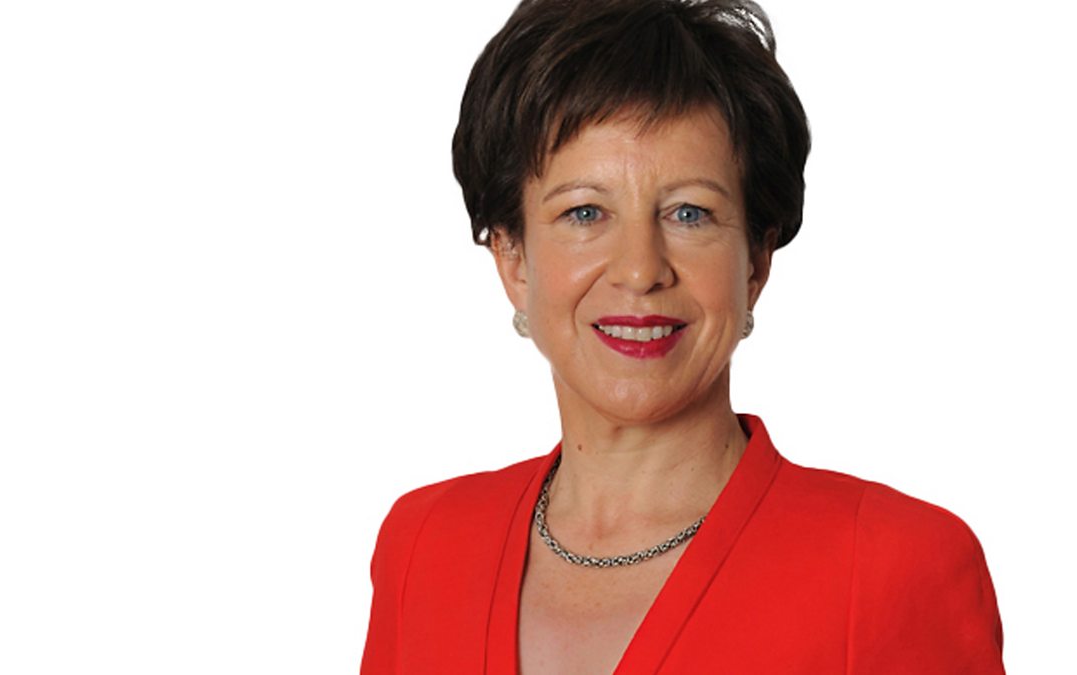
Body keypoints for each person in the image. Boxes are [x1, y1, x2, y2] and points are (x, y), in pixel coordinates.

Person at [361, 0, 1004, 672]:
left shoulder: (892, 565)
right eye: (585, 212)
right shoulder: (423, 545)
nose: (641, 270)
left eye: (690, 213)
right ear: (513, 258)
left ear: (755, 261)